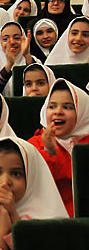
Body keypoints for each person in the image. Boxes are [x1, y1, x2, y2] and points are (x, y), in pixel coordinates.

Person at [27, 79, 89, 216]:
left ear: (82, 112)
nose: (58, 112)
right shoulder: (34, 145)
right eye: (52, 106)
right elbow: (37, 187)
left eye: (67, 107)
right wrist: (50, 152)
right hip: (50, 217)